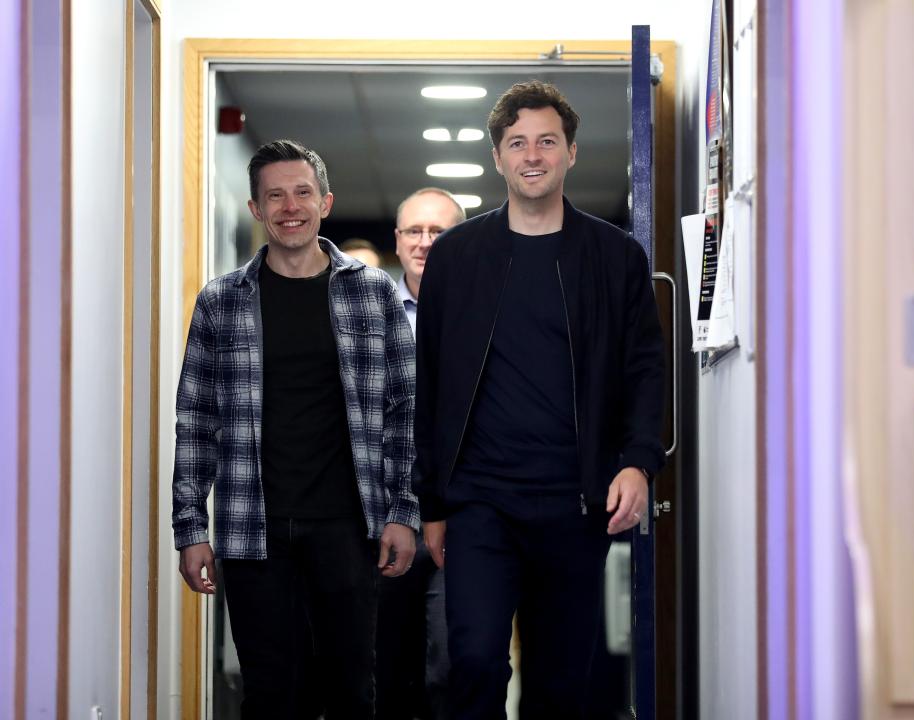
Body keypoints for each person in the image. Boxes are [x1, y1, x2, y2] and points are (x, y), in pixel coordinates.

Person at [413, 81, 665, 719]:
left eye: (547, 142)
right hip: (481, 503)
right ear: (497, 156)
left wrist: (638, 462)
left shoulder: (616, 258)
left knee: (559, 684)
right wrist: (432, 504)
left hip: (575, 504)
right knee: (473, 661)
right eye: (517, 142)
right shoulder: (455, 258)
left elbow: (644, 369)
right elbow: (432, 384)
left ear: (571, 153)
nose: (532, 155)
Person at [173, 138, 419, 720]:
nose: (290, 207)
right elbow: (196, 417)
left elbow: (405, 412)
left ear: (325, 203)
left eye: (302, 193)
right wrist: (190, 527)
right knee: (270, 697)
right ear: (256, 208)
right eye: (275, 196)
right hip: (253, 529)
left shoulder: (374, 293)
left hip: (348, 526)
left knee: (352, 694)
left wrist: (403, 512)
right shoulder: (220, 302)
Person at [376, 187, 465, 720]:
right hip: (384, 518)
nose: (425, 242)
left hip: (462, 517)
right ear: (397, 240)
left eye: (439, 231)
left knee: (452, 667)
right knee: (387, 670)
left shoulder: (484, 309)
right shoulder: (370, 312)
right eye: (414, 230)